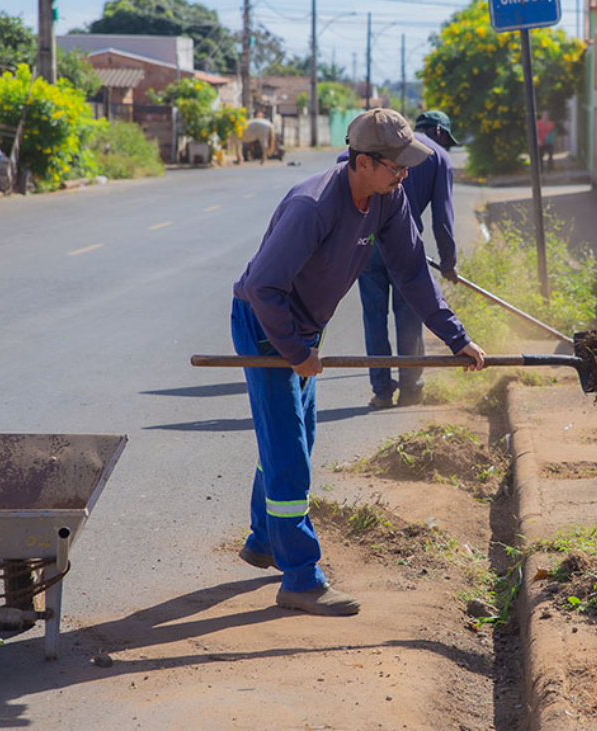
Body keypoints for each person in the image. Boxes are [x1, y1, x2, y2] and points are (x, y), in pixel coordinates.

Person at [230, 108, 487, 616]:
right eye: (396, 166)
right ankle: (300, 577)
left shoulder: (387, 200)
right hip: (267, 325)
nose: (405, 175)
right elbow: (262, 288)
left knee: (296, 436)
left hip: (305, 325)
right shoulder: (312, 207)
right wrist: (297, 352)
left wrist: (456, 338)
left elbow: (413, 273)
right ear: (363, 161)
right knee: (289, 452)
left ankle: (264, 539)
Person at [350, 110, 460, 409]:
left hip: (367, 244)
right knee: (410, 316)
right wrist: (448, 262)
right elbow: (443, 219)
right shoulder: (438, 156)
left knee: (374, 317)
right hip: (406, 246)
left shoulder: (379, 149)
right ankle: (411, 389)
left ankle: (382, 391)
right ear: (438, 132)